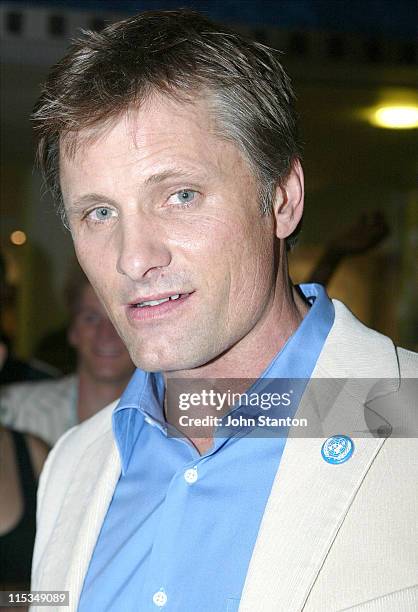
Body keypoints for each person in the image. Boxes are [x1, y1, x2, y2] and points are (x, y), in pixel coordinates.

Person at [29, 10, 417, 612]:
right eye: (100, 213)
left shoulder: (404, 417)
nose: (134, 259)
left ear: (282, 200)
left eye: (180, 196)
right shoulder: (72, 467)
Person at [0, 266, 135, 445]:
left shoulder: (172, 418)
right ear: (73, 331)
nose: (106, 334)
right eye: (91, 318)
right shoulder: (14, 411)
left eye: (118, 320)